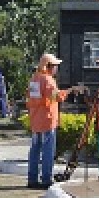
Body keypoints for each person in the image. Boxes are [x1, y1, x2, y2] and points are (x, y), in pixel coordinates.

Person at [25, 53, 81, 189]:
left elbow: (31, 98)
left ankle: (32, 179)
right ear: (49, 67)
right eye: (55, 66)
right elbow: (57, 97)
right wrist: (70, 91)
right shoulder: (48, 80)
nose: (56, 68)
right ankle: (46, 180)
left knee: (34, 150)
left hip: (35, 121)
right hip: (47, 120)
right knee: (48, 151)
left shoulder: (34, 79)